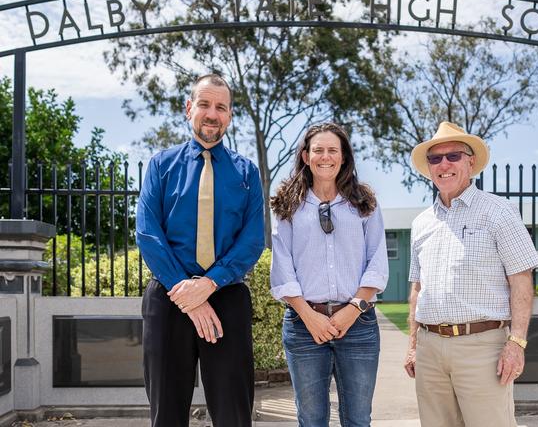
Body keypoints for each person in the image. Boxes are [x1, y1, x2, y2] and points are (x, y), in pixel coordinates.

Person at [136, 74, 264, 427]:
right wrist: (186, 292)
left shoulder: (247, 172)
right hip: (168, 298)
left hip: (227, 298)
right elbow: (148, 234)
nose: (212, 113)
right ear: (188, 108)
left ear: (229, 116)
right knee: (166, 415)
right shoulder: (161, 166)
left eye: (221, 107)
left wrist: (207, 286)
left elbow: (252, 240)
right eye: (204, 104)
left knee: (234, 415)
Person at [403, 122, 538, 427]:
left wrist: (516, 344)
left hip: (483, 348)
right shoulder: (421, 224)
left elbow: (522, 281)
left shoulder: (499, 211)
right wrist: (413, 346)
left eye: (453, 155)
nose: (444, 164)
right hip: (429, 350)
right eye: (436, 159)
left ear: (471, 161)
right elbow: (417, 289)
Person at [270, 122, 389, 427]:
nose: (326, 156)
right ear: (306, 156)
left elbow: (376, 262)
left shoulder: (365, 203)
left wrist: (352, 310)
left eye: (333, 150)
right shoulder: (288, 205)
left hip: (358, 326)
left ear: (344, 157)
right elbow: (282, 268)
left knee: (358, 419)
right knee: (311, 419)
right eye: (318, 150)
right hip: (303, 326)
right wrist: (309, 317)